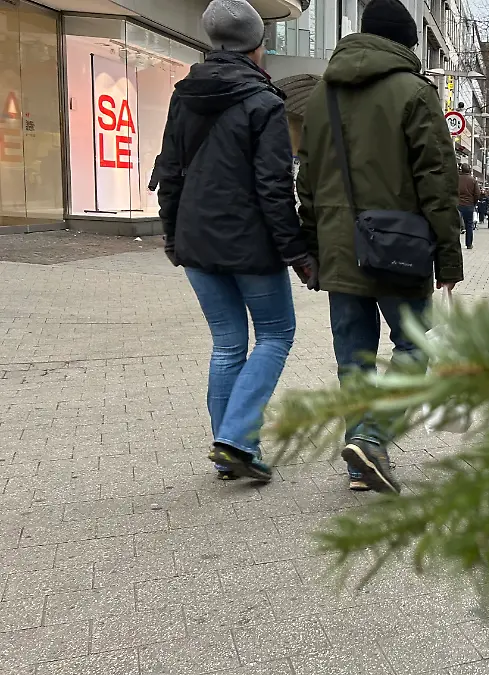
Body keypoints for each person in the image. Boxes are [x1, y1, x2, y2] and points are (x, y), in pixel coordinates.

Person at [296, 0, 463, 492]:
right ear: (407, 43)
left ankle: (359, 463)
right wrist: (449, 257)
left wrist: (311, 245)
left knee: (353, 357)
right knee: (414, 344)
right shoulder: (415, 92)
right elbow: (436, 178)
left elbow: (306, 177)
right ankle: (372, 438)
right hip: (400, 246)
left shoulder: (321, 95)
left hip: (338, 245)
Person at [156, 0, 313, 482]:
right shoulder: (264, 102)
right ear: (258, 46)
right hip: (249, 244)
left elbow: (169, 171)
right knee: (275, 335)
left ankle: (230, 450)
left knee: (227, 344)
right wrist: (298, 253)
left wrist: (171, 234)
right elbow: (273, 187)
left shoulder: (185, 95)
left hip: (197, 240)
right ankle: (235, 440)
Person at [457, 163, 480, 249]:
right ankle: (469, 244)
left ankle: (456, 244)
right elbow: (477, 194)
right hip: (469, 205)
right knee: (469, 225)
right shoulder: (473, 180)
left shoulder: (457, 179)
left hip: (458, 205)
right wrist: (473, 203)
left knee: (456, 225)